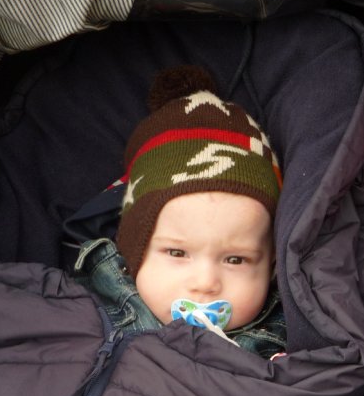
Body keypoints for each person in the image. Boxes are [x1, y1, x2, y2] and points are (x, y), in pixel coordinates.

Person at [74, 65, 286, 357]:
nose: (205, 283)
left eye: (236, 259)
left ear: (272, 265)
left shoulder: (286, 342)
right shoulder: (85, 311)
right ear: (134, 251)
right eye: (177, 252)